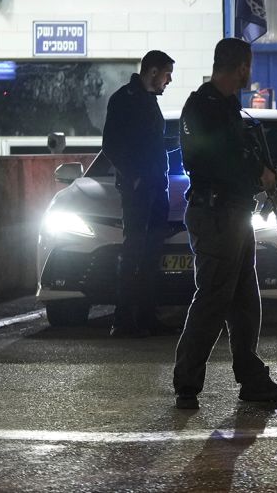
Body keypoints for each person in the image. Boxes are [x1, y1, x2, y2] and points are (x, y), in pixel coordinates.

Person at [172, 38, 277, 410]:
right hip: (216, 213)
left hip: (233, 213)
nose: (250, 73)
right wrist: (260, 173)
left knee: (243, 300)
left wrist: (266, 175)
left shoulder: (225, 106)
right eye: (248, 66)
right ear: (241, 66)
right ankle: (187, 383)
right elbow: (218, 160)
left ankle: (252, 376)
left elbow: (237, 156)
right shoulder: (204, 106)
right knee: (212, 298)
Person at [101, 50, 175, 338]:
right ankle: (123, 319)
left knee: (151, 255)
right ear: (153, 72)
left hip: (157, 189)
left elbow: (151, 143)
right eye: (167, 74)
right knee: (133, 253)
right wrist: (133, 176)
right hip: (140, 189)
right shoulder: (125, 100)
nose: (169, 81)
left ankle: (146, 316)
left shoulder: (148, 102)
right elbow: (111, 144)